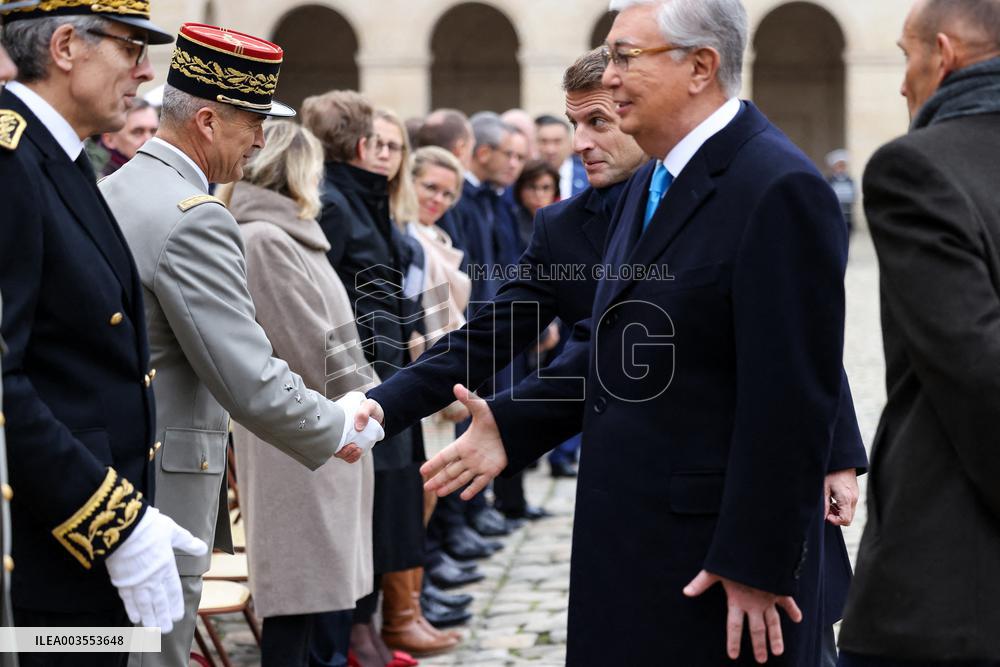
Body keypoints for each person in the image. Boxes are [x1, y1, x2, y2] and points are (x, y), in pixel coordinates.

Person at [417, 0, 858, 663]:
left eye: (626, 56)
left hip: (716, 562)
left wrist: (757, 558)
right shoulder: (655, 178)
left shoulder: (778, 184)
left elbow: (791, 387)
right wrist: (510, 420)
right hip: (636, 536)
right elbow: (621, 348)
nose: (611, 75)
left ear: (700, 67)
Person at [100, 25, 380, 667]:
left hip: (116, 470)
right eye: (251, 123)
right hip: (162, 484)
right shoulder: (194, 215)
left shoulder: (117, 190)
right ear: (206, 120)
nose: (259, 140)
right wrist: (336, 424)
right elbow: (247, 376)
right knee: (151, 653)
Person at [0, 2, 212, 665]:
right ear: (66, 46)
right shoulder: (10, 162)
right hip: (54, 541)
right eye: (129, 49)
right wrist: (113, 522)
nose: (144, 72)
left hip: (91, 538)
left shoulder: (61, 157)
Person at [837, 2, 1000, 665]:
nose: (902, 81)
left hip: (953, 586)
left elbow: (979, 369)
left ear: (944, 52)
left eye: (906, 57)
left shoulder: (917, 167)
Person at [212, 120, 377, 667]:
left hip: (332, 430)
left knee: (322, 603)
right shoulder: (263, 239)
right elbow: (304, 347)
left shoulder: (291, 235)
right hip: (301, 441)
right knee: (298, 603)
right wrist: (370, 401)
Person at [301, 90, 453, 665]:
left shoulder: (371, 201)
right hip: (356, 380)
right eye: (379, 143)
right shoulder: (336, 204)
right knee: (367, 509)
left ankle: (376, 623)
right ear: (360, 144)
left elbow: (386, 286)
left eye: (397, 146)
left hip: (389, 377)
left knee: (390, 504)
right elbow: (326, 302)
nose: (387, 155)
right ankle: (357, 632)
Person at [94, 98, 158, 177]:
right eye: (138, 132)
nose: (149, 140)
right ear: (109, 140)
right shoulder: (97, 183)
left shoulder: (165, 172)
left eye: (154, 131)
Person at [535, 114, 587, 198]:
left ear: (570, 143)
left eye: (557, 141)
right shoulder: (524, 177)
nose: (550, 150)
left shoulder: (587, 177)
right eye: (544, 141)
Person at [825, 149, 856, 234]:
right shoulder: (829, 181)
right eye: (839, 165)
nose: (841, 168)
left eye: (843, 165)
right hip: (834, 217)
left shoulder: (850, 181)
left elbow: (853, 196)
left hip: (847, 216)